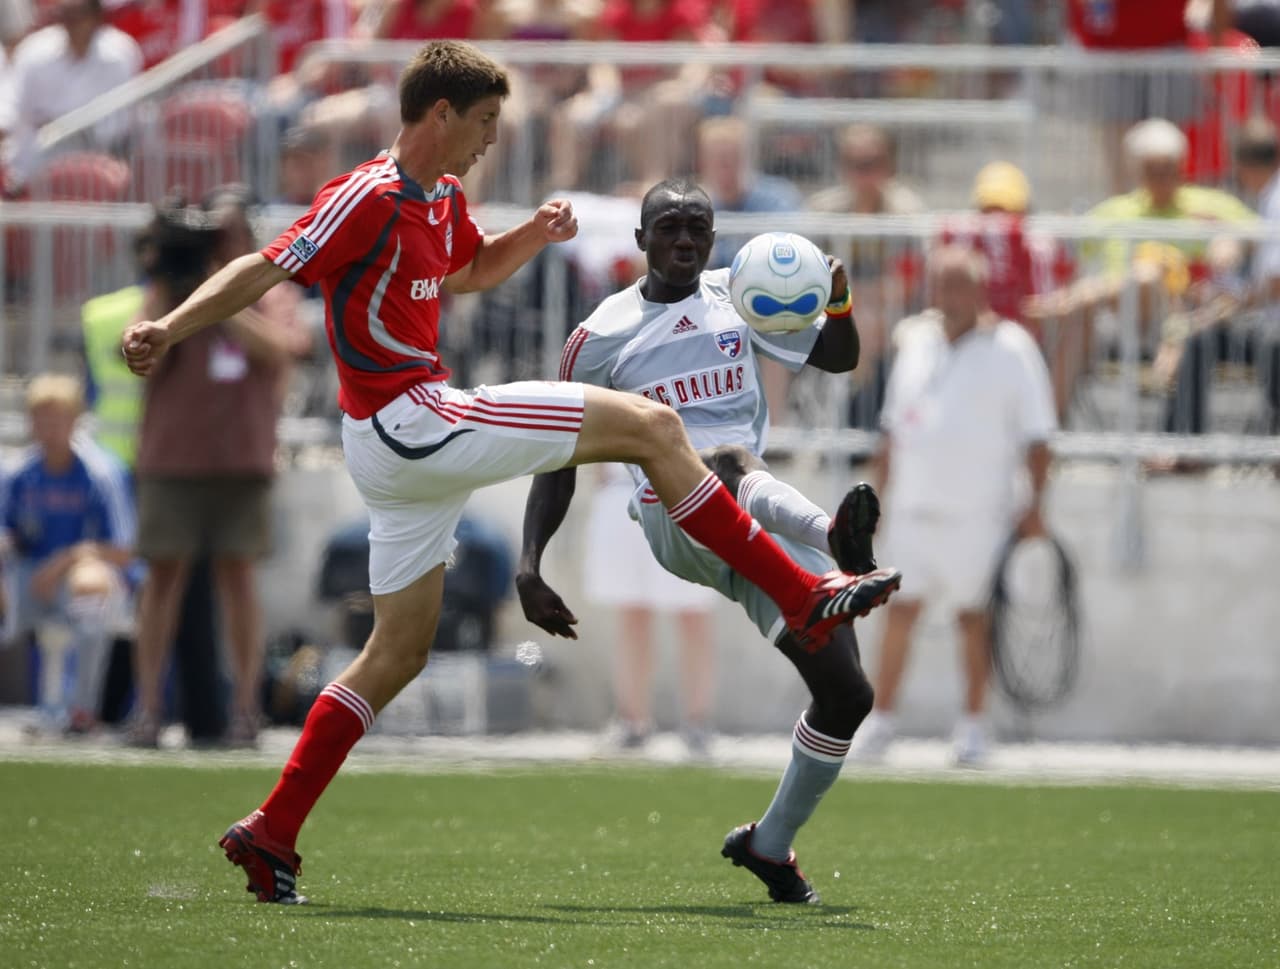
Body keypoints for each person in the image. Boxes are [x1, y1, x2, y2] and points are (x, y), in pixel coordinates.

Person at [120, 40, 903, 905]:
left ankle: (270, 830)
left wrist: (533, 232)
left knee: (397, 650)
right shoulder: (369, 194)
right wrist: (173, 327)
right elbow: (265, 266)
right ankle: (801, 588)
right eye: (485, 122)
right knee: (654, 426)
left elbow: (469, 273)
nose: (491, 140)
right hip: (410, 419)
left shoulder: (440, 196)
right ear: (441, 114)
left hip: (395, 454)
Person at [518, 177, 901, 904]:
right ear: (641, 240)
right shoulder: (600, 336)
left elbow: (841, 358)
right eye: (670, 227)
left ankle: (771, 844)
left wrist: (839, 298)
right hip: (676, 518)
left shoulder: (744, 292)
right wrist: (529, 564)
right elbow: (556, 460)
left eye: (698, 227)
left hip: (757, 522)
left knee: (847, 693)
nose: (686, 240)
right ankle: (830, 537)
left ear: (714, 236)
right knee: (719, 459)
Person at [851, 246, 1057, 767]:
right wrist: (875, 506)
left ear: (981, 289)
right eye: (941, 284)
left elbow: (1038, 439)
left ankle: (971, 726)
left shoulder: (1012, 349)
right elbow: (892, 432)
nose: (949, 295)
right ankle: (881, 721)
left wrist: (1034, 507)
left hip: (979, 511)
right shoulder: (917, 343)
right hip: (915, 508)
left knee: (973, 616)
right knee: (899, 612)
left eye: (959, 284)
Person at [127, 188, 310, 749]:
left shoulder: (268, 291)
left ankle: (246, 711)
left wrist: (219, 302)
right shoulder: (166, 293)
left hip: (242, 460)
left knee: (238, 580)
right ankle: (149, 710)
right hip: (171, 460)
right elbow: (133, 348)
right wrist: (177, 302)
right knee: (162, 579)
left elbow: (282, 348)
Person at [0, 374, 134, 734]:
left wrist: (63, 562)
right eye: (40, 418)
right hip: (27, 579)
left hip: (87, 582)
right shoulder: (18, 472)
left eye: (56, 418)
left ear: (75, 420)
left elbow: (123, 550)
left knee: (89, 584)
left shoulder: (100, 472)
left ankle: (79, 709)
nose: (47, 428)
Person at [582, 462, 718, 755]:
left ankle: (698, 723)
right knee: (632, 613)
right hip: (623, 490)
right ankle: (632, 722)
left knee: (692, 613)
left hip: (684, 489)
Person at [808, 123, 926, 429]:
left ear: (889, 165)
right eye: (854, 164)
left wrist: (847, 294)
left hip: (894, 317)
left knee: (869, 324)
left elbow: (905, 287)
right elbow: (807, 280)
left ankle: (858, 421)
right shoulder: (822, 212)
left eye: (871, 163)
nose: (863, 174)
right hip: (831, 313)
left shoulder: (907, 213)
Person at [0, 0, 142, 192]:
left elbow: (119, 125)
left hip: (98, 170)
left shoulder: (120, 54)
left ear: (97, 16)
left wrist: (62, 125)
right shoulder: (33, 52)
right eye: (66, 14)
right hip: (31, 172)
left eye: (79, 14)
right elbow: (9, 110)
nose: (72, 22)